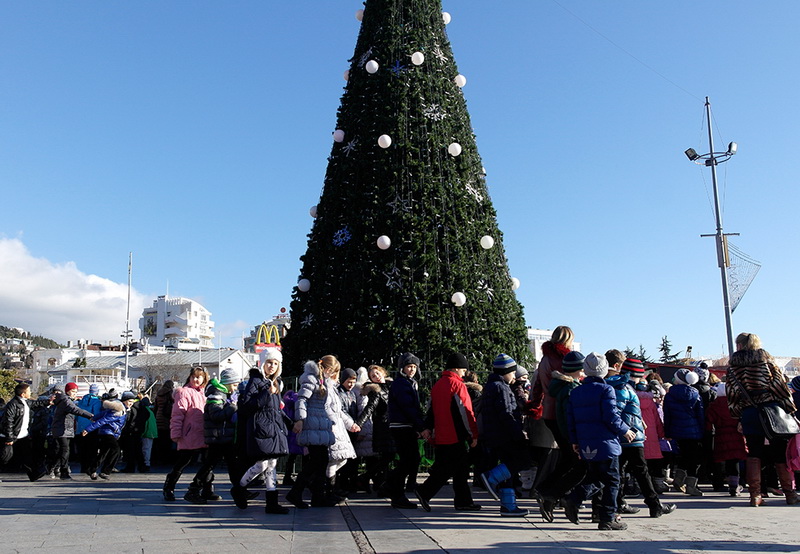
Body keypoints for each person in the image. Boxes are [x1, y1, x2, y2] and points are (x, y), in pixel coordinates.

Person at [564, 352, 636, 531]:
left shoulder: (576, 391)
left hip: (586, 442)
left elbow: (570, 418)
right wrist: (625, 430)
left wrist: (575, 441)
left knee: (596, 476)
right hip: (606, 442)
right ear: (604, 371)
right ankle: (607, 517)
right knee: (612, 480)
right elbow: (611, 416)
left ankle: (574, 498)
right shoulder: (606, 390)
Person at [726, 332, 797, 506]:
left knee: (754, 452)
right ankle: (789, 493)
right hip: (772, 410)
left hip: (750, 412)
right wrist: (790, 409)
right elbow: (780, 386)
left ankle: (755, 495)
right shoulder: (765, 360)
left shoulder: (733, 366)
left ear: (740, 345)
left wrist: (738, 415)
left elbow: (732, 393)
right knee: (779, 451)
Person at [415, 352, 480, 512]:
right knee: (449, 469)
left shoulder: (438, 385)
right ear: (457, 369)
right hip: (455, 435)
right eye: (463, 370)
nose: (464, 373)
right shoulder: (458, 385)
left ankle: (463, 501)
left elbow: (430, 410)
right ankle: (425, 491)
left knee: (459, 468)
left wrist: (428, 428)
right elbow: (466, 413)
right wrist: (473, 434)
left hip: (441, 435)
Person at [611, 359, 676, 518]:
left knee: (620, 471)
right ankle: (654, 505)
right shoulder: (626, 388)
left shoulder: (621, 386)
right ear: (638, 374)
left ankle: (619, 503)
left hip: (624, 435)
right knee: (641, 471)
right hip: (632, 435)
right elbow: (619, 412)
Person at [233, 354, 292, 514]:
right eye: (269, 362)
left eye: (275, 363)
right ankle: (240, 488)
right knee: (263, 464)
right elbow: (246, 405)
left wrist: (289, 423)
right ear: (262, 363)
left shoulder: (275, 383)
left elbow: (276, 409)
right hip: (262, 428)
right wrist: (267, 393)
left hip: (273, 428)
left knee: (269, 465)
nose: (271, 366)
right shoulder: (256, 381)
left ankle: (270, 501)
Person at [537, 351, 587, 521]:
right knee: (581, 467)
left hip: (564, 432)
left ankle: (545, 491)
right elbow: (569, 417)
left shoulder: (562, 386)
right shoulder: (571, 389)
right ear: (577, 370)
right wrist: (575, 439)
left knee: (567, 463)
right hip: (570, 435)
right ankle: (550, 494)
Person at [479, 353, 529, 516]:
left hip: (494, 434)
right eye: (512, 372)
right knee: (520, 460)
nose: (514, 375)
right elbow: (507, 413)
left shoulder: (491, 386)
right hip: (505, 435)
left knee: (508, 469)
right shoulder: (502, 388)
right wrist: (518, 433)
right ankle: (491, 477)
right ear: (505, 372)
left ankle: (508, 505)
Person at [286, 358, 337, 509]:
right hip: (312, 425)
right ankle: (296, 492)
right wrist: (300, 419)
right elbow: (302, 399)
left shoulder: (323, 381)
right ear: (327, 369)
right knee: (316, 461)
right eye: (332, 370)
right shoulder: (311, 379)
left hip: (320, 425)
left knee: (321, 461)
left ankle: (317, 496)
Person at [386, 352, 427, 509]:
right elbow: (408, 407)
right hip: (401, 425)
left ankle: (390, 485)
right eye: (409, 366)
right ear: (402, 367)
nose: (412, 370)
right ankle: (396, 492)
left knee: (412, 459)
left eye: (414, 367)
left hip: (405, 425)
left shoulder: (409, 383)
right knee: (408, 460)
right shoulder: (402, 384)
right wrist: (421, 426)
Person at [163, 367, 210, 503]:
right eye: (194, 376)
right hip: (189, 434)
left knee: (208, 462)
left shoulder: (204, 393)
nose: (196, 379)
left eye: (199, 377)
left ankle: (206, 489)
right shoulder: (183, 393)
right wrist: (176, 433)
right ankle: (169, 487)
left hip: (203, 434)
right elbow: (177, 414)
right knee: (183, 462)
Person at [663, 369, 705, 496]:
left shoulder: (670, 395)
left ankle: (678, 479)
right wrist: (702, 430)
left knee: (683, 455)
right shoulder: (695, 394)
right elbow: (700, 414)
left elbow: (667, 415)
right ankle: (691, 485)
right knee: (694, 458)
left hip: (677, 430)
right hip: (694, 431)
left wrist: (668, 432)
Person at [355, 365, 395, 495]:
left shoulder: (392, 386)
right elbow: (369, 408)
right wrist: (359, 424)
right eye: (373, 376)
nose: (376, 376)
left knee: (387, 458)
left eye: (377, 373)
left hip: (391, 426)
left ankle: (374, 481)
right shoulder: (376, 391)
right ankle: (371, 480)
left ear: (383, 373)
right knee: (387, 457)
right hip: (383, 428)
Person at [706, 382, 747, 496]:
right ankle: (734, 486)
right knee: (734, 460)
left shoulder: (713, 405)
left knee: (721, 460)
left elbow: (709, 421)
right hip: (736, 434)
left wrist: (709, 432)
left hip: (721, 434)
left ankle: (720, 482)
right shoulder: (735, 404)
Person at [0, 383, 48, 481]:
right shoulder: (12, 405)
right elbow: (8, 421)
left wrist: (49, 402)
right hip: (12, 436)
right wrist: (9, 437)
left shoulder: (26, 402)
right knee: (5, 457)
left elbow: (36, 403)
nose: (30, 392)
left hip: (23, 435)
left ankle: (33, 474)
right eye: (29, 391)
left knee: (26, 456)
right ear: (22, 394)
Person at [48, 382, 94, 480]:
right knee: (65, 451)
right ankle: (63, 472)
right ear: (67, 391)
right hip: (62, 429)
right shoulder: (65, 400)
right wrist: (90, 416)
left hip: (65, 429)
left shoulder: (64, 400)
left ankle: (53, 467)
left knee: (61, 450)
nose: (74, 393)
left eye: (76, 391)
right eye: (73, 391)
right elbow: (75, 410)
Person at [81, 397, 126, 479]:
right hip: (108, 433)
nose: (131, 403)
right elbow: (102, 421)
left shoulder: (113, 411)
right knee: (116, 450)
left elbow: (100, 416)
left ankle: (92, 469)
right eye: (129, 401)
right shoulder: (115, 413)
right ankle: (106, 471)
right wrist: (88, 429)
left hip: (109, 433)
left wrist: (93, 417)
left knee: (104, 452)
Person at [75, 384, 103, 475]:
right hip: (91, 428)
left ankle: (83, 467)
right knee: (92, 449)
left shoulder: (81, 400)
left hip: (80, 427)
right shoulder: (97, 401)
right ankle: (90, 468)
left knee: (82, 449)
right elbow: (96, 415)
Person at [153, 380, 175, 465]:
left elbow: (155, 407)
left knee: (160, 439)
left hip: (159, 417)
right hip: (167, 418)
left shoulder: (159, 394)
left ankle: (159, 457)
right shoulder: (170, 393)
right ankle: (166, 458)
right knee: (167, 439)